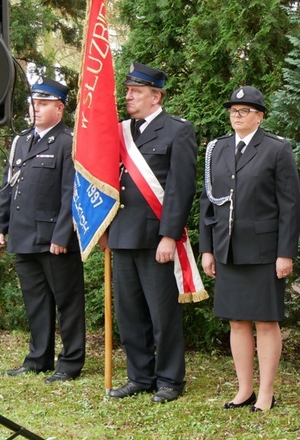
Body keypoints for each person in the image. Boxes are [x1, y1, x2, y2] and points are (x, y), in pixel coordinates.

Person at [199, 86, 300, 412]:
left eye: (244, 110)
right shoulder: (217, 149)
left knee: (265, 321)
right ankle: (244, 389)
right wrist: (208, 248)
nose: (237, 115)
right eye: (233, 110)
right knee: (237, 321)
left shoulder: (276, 149)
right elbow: (208, 202)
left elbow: (289, 205)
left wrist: (286, 253)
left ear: (259, 115)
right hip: (227, 248)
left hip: (263, 251)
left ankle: (266, 391)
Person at [105, 62, 197, 403]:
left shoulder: (178, 131)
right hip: (122, 234)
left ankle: (170, 379)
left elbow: (180, 188)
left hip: (155, 237)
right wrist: (103, 229)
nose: (128, 96)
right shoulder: (120, 131)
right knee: (129, 313)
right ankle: (139, 377)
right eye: (128, 90)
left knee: (163, 314)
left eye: (137, 91)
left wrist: (169, 235)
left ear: (156, 96)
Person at [0, 76, 85, 384]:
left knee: (67, 303)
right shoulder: (21, 141)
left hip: (54, 239)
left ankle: (70, 363)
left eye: (43, 104)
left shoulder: (68, 142)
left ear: (59, 108)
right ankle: (38, 358)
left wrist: (63, 235)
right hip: (23, 235)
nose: (35, 109)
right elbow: (9, 186)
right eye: (33, 103)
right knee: (36, 302)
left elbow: (72, 194)